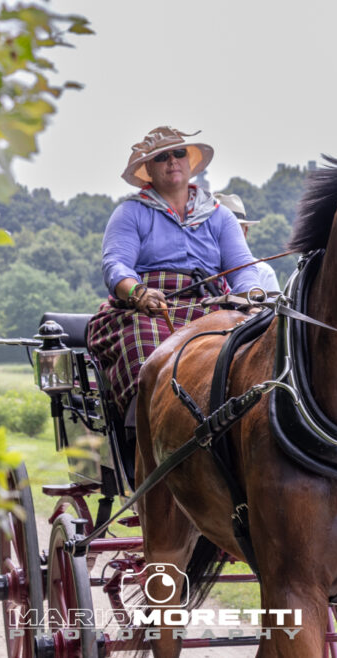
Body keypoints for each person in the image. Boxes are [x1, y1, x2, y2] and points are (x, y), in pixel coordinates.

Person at [87, 126, 263, 432]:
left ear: (189, 161)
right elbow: (116, 265)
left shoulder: (220, 216)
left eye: (178, 153)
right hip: (149, 310)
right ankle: (141, 430)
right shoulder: (130, 213)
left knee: (253, 348)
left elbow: (243, 268)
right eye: (161, 157)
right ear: (148, 169)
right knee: (141, 342)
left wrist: (252, 297)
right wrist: (139, 293)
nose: (172, 161)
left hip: (210, 306)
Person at [213, 192, 281, 293]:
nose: (227, 238)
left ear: (245, 233)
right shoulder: (195, 271)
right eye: (218, 232)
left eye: (235, 232)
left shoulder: (264, 273)